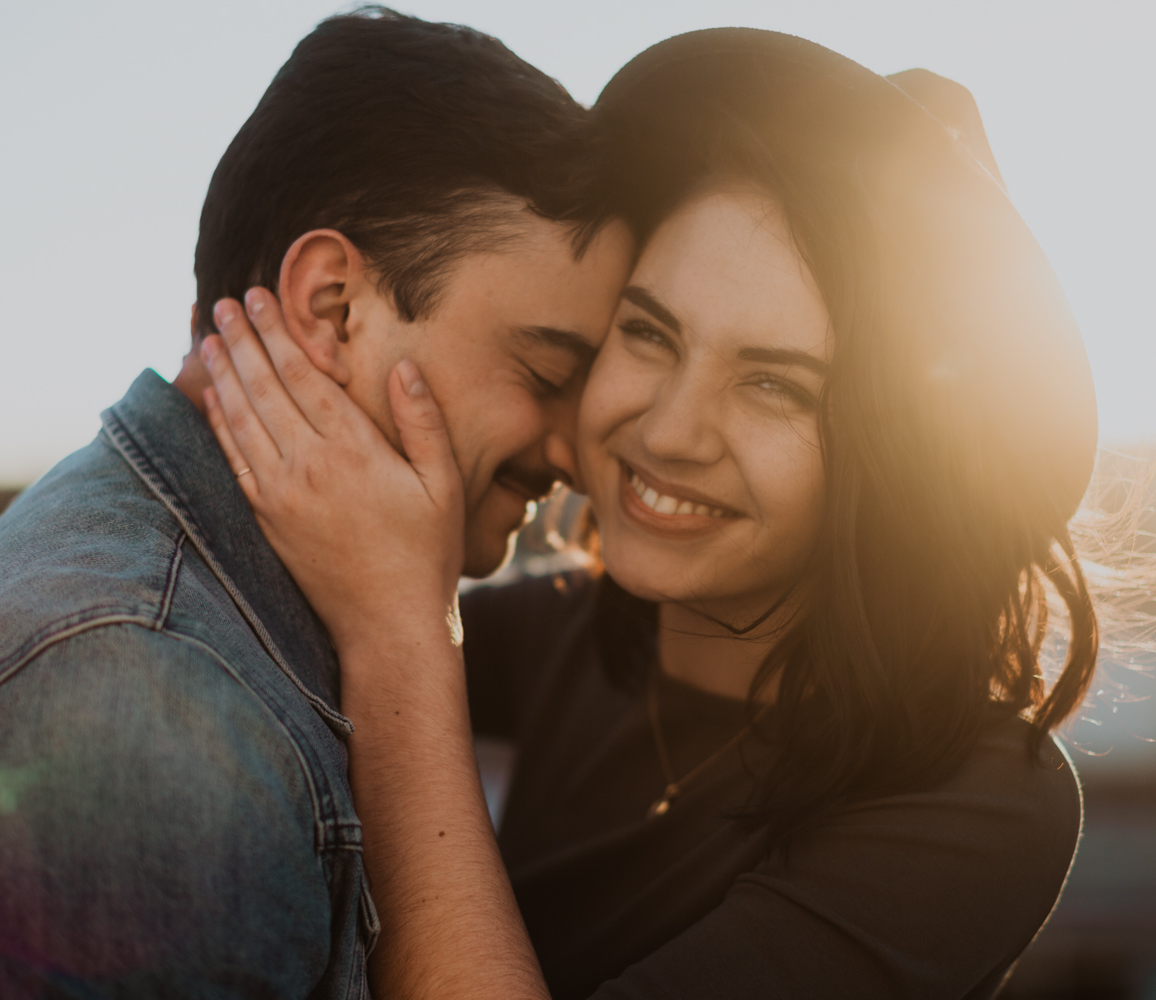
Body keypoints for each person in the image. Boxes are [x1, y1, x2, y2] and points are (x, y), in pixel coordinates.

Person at [200, 28, 1104, 999]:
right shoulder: (566, 637)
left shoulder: (979, 802)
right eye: (646, 332)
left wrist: (398, 632)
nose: (669, 432)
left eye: (775, 386)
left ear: (901, 463)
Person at [0, 10, 630, 997]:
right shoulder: (140, 702)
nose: (576, 450)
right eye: (546, 371)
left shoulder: (208, 612)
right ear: (334, 308)